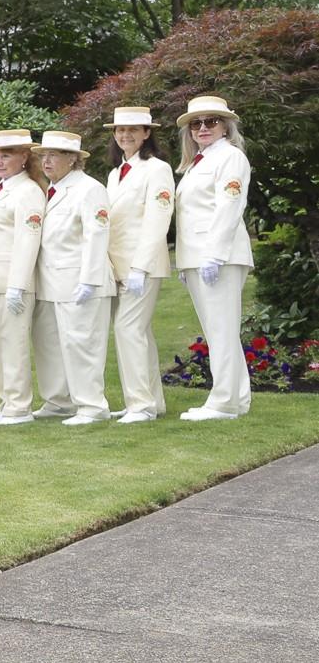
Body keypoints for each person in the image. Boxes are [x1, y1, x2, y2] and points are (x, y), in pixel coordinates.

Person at [173, 95, 254, 421]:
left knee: (221, 331)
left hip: (219, 256)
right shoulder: (198, 162)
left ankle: (223, 403)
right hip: (198, 257)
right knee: (219, 331)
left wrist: (214, 256)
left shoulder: (230, 157)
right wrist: (187, 260)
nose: (203, 127)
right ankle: (237, 399)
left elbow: (229, 207)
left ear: (225, 126)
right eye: (196, 123)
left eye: (211, 121)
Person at [30, 130, 116, 425]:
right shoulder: (51, 190)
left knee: (83, 345)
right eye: (44, 155)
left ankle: (92, 406)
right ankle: (59, 402)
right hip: (53, 283)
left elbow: (97, 234)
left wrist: (89, 280)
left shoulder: (89, 189)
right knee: (53, 346)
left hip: (80, 282)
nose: (46, 161)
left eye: (54, 155)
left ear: (72, 159)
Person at [103, 107, 174, 424]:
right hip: (118, 265)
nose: (125, 135)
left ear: (147, 133)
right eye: (120, 130)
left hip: (141, 266)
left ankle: (140, 405)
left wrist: (140, 268)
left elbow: (158, 220)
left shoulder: (157, 169)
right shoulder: (115, 173)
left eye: (133, 129)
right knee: (139, 333)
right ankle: (151, 401)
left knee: (128, 329)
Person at [0, 129, 48, 427]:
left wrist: (17, 285)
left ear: (24, 157)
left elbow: (27, 240)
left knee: (13, 344)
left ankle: (19, 406)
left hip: (11, 282)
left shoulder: (28, 191)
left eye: (6, 155)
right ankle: (7, 402)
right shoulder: (1, 190)